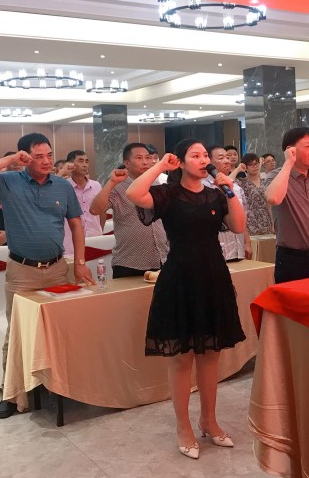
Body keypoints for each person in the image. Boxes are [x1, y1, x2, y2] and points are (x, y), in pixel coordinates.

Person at [126, 139, 246, 460]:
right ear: (180, 162)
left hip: (213, 278)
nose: (204, 159)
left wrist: (229, 189)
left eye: (205, 155)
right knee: (182, 358)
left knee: (210, 354)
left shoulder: (215, 194)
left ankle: (209, 420)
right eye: (195, 155)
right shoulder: (168, 194)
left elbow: (238, 225)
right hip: (179, 279)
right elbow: (134, 193)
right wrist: (159, 166)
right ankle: (183, 426)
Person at [0, 132, 95, 419]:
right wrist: (11, 160)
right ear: (25, 157)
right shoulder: (9, 182)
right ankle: (12, 394)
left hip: (58, 269)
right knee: (17, 331)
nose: (47, 161)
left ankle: (59, 386)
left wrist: (80, 262)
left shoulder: (62, 186)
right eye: (39, 156)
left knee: (60, 329)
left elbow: (76, 225)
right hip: (22, 272)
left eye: (49, 155)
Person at [265, 127, 309, 283]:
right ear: (290, 150)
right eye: (307, 146)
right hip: (292, 260)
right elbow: (273, 198)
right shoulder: (276, 176)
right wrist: (288, 163)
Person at [89, 143, 168, 277]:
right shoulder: (118, 186)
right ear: (126, 162)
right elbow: (95, 210)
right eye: (139, 158)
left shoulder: (156, 185)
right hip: (130, 262)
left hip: (162, 259)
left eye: (148, 157)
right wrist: (111, 183)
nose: (145, 162)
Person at [204, 146, 252, 261]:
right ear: (209, 162)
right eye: (221, 158)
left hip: (238, 249)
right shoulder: (203, 187)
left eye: (227, 157)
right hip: (215, 252)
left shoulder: (235, 187)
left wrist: (247, 243)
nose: (227, 161)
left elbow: (243, 217)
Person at [60, 149, 104, 256]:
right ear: (70, 164)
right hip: (71, 243)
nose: (85, 165)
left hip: (96, 240)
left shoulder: (96, 185)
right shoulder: (63, 186)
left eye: (86, 161)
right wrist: (62, 172)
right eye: (80, 161)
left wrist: (99, 230)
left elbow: (102, 212)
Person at [234, 153, 273, 235]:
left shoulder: (265, 182)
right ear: (246, 167)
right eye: (251, 164)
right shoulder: (241, 182)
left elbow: (269, 204)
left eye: (256, 163)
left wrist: (273, 222)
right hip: (249, 223)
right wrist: (238, 169)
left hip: (266, 221)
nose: (255, 166)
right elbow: (228, 182)